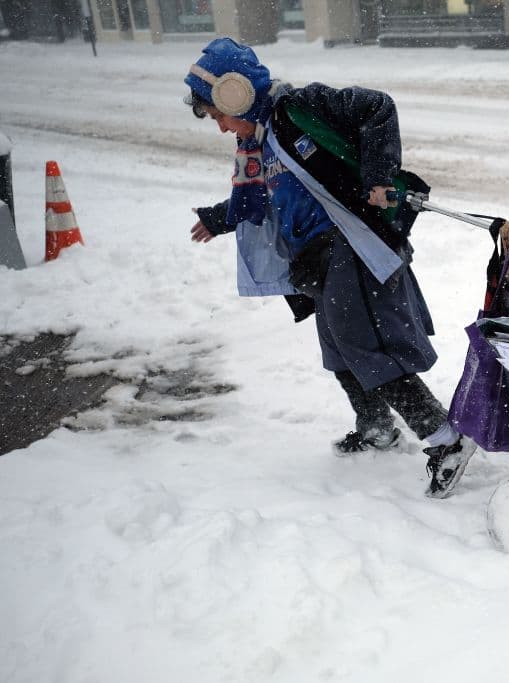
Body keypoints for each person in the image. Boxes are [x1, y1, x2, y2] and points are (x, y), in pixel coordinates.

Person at [185, 37, 474, 499]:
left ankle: (446, 439)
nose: (220, 127)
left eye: (218, 115)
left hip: (349, 242)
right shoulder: (259, 144)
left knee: (365, 348)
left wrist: (379, 177)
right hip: (313, 259)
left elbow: (378, 107)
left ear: (235, 93)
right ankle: (377, 426)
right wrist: (219, 218)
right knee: (339, 352)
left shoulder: (298, 107)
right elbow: (260, 198)